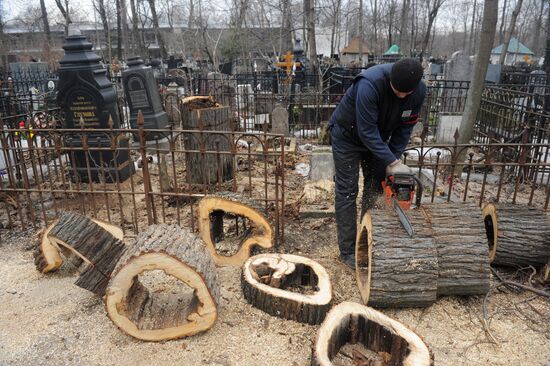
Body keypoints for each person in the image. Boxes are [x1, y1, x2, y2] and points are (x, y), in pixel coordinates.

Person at [329, 58, 426, 269]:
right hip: (348, 136)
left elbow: (405, 128)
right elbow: (366, 131)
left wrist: (394, 160)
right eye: (397, 91)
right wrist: (390, 159)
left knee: (374, 189)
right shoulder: (369, 84)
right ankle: (347, 252)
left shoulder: (418, 92)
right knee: (347, 190)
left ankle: (367, 239)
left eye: (405, 93)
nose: (401, 96)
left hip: (379, 139)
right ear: (390, 79)